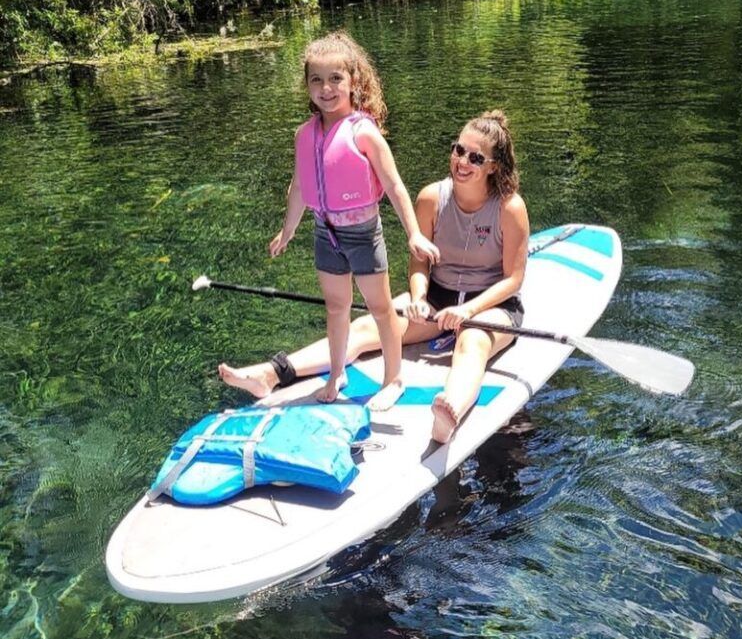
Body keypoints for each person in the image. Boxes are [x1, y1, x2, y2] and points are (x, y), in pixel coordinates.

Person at [219, 109, 529, 443]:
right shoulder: (430, 198)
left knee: (472, 342)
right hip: (439, 297)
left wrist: (468, 312)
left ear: (493, 166)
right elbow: (419, 264)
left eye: (475, 157)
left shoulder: (509, 208)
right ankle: (272, 373)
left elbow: (513, 279)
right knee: (368, 325)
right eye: (458, 150)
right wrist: (419, 298)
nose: (462, 161)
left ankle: (448, 411)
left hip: (490, 307)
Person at [227, 30, 438, 411]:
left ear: (353, 82)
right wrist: (287, 229)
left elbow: (394, 186)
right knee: (336, 307)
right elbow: (299, 186)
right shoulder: (304, 134)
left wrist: (415, 235)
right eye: (317, 80)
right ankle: (337, 372)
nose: (326, 88)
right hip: (326, 233)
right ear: (307, 86)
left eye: (335, 79)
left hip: (362, 233)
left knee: (381, 308)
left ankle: (394, 379)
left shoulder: (364, 132)